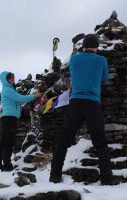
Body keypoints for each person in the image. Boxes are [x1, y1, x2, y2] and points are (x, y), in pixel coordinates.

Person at [49, 34, 113, 185]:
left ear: (83, 46)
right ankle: (106, 179)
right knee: (100, 142)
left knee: (64, 141)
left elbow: (72, 73)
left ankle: (55, 176)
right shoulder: (101, 60)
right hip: (92, 103)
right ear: (96, 46)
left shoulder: (74, 59)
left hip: (75, 103)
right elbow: (105, 79)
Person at [0, 71, 41, 171]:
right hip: (9, 118)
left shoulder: (9, 89)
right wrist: (34, 96)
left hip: (7, 118)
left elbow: (17, 100)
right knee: (9, 142)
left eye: (12, 77)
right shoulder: (7, 90)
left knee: (3, 142)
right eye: (10, 77)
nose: (12, 79)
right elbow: (20, 98)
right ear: (5, 79)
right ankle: (7, 165)